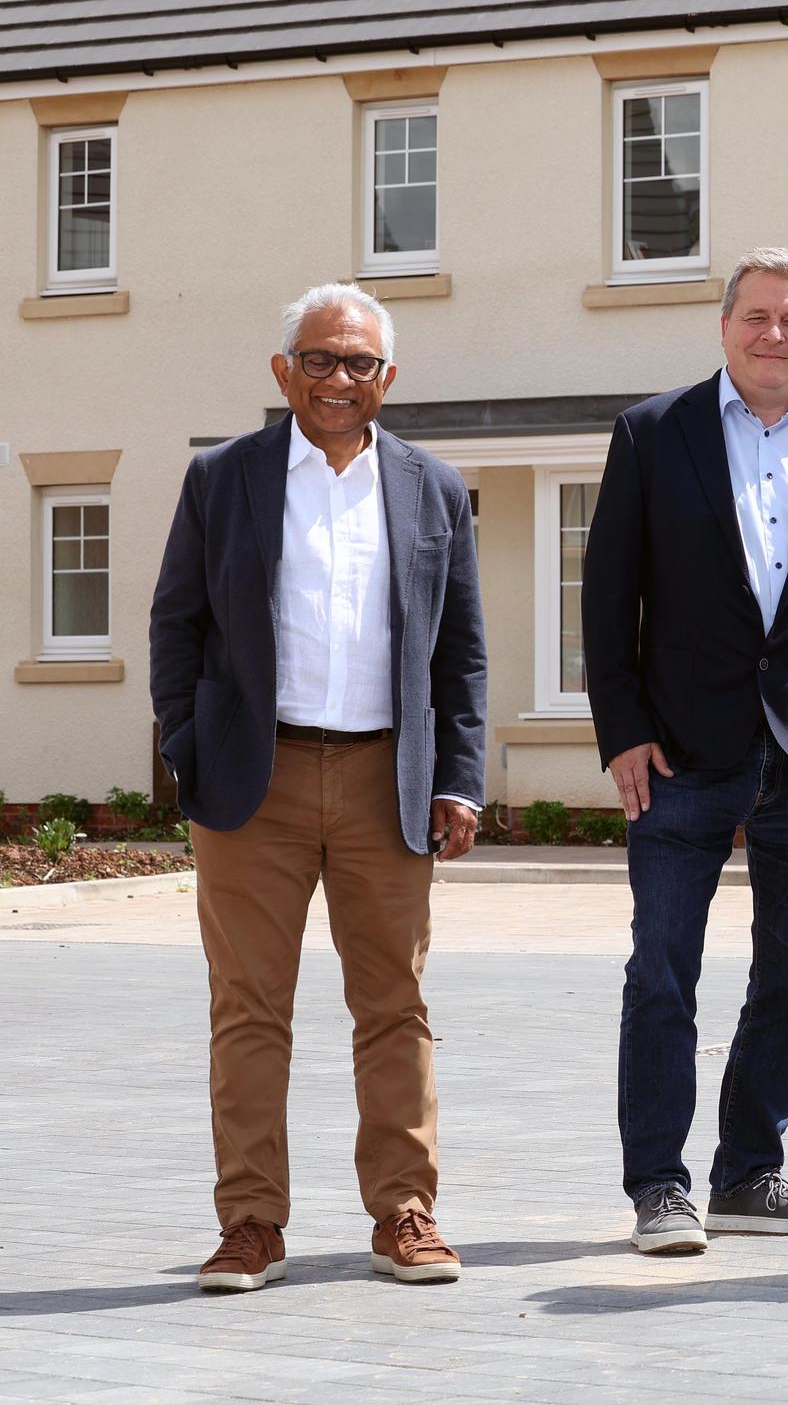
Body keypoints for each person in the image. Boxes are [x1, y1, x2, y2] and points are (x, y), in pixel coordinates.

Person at [151, 283, 487, 1292]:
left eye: (358, 364)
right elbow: (177, 624)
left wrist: (459, 776)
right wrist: (189, 745)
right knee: (248, 1008)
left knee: (396, 1004)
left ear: (387, 379)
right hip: (257, 782)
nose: (337, 379)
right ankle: (250, 1221)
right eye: (319, 359)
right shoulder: (226, 479)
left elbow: (461, 653)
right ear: (282, 370)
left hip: (389, 776)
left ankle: (406, 1212)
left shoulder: (433, 488)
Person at [582, 247, 788, 1255]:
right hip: (679, 756)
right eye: (757, 316)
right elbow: (606, 601)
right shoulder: (652, 435)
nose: (775, 334)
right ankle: (659, 1186)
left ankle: (748, 1172)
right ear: (725, 326)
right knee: (664, 976)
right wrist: (623, 731)